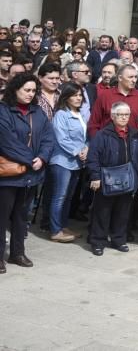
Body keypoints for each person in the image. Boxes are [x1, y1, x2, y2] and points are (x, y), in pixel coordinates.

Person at [0, 73, 54, 272]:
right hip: (8, 176)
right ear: (15, 89)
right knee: (2, 216)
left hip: (30, 176)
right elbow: (6, 142)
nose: (31, 94)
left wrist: (43, 157)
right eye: (27, 90)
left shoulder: (37, 112)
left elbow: (49, 137)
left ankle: (17, 253)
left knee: (22, 216)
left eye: (33, 91)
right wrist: (32, 160)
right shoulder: (4, 111)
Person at [86, 101, 138, 256]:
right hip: (107, 178)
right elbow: (93, 157)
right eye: (120, 114)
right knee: (102, 212)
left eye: (127, 114)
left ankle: (119, 240)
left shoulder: (135, 134)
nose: (124, 118)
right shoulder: (102, 134)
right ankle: (98, 241)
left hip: (128, 178)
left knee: (123, 212)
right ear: (112, 116)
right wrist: (95, 176)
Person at [46, 83, 89, 243]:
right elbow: (61, 138)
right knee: (59, 196)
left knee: (68, 197)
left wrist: (86, 149)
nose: (78, 98)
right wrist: (78, 151)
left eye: (80, 95)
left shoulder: (80, 114)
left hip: (77, 162)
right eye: (74, 95)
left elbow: (85, 137)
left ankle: (63, 226)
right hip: (62, 161)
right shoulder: (61, 114)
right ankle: (55, 230)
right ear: (66, 97)